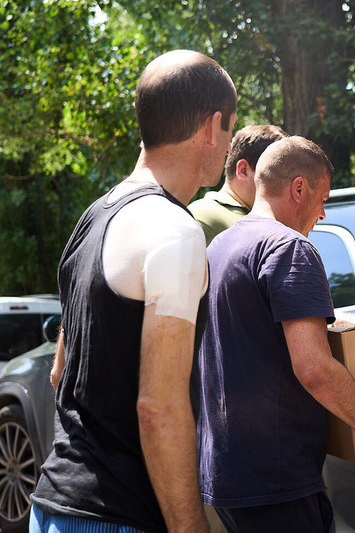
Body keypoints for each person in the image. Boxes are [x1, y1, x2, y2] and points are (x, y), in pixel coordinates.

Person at [30, 49, 237, 533]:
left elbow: (61, 372)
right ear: (211, 128)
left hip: (53, 505)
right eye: (229, 130)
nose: (227, 146)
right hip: (118, 516)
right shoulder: (174, 230)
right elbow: (159, 408)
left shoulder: (94, 216)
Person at [197, 135, 355, 533]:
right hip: (276, 480)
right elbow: (314, 367)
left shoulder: (219, 246)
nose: (322, 214)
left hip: (225, 473)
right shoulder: (289, 248)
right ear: (299, 188)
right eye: (323, 199)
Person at [189, 124, 288, 244]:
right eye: (274, 175)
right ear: (243, 170)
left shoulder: (265, 217)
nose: (284, 186)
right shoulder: (204, 215)